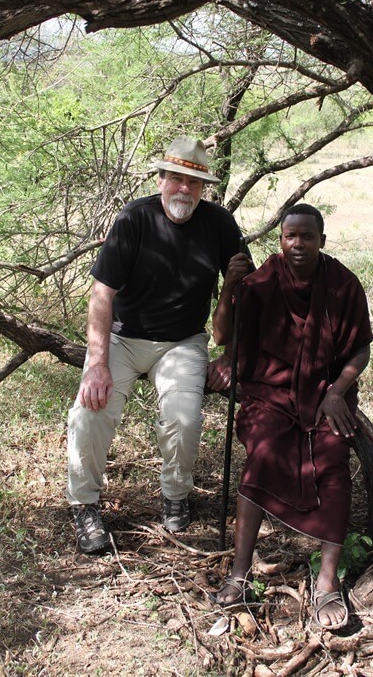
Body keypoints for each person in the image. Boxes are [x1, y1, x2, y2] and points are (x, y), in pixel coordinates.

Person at [67, 135, 244, 553]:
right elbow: (102, 294)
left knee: (184, 417)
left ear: (204, 188)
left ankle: (175, 496)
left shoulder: (219, 224)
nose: (185, 188)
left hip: (182, 340)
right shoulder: (135, 219)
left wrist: (232, 354)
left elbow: (244, 292)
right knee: (91, 409)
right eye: (177, 178)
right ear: (161, 178)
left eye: (194, 182)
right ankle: (84, 505)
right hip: (125, 336)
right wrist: (97, 362)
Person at [210, 204, 373, 630]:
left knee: (333, 460)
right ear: (280, 240)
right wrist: (230, 284)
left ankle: (326, 583)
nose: (297, 244)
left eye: (306, 236)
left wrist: (338, 392)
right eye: (289, 237)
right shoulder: (264, 279)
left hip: (325, 394)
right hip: (271, 393)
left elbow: (360, 349)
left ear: (322, 239)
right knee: (263, 451)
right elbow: (224, 334)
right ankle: (240, 573)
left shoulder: (343, 285)